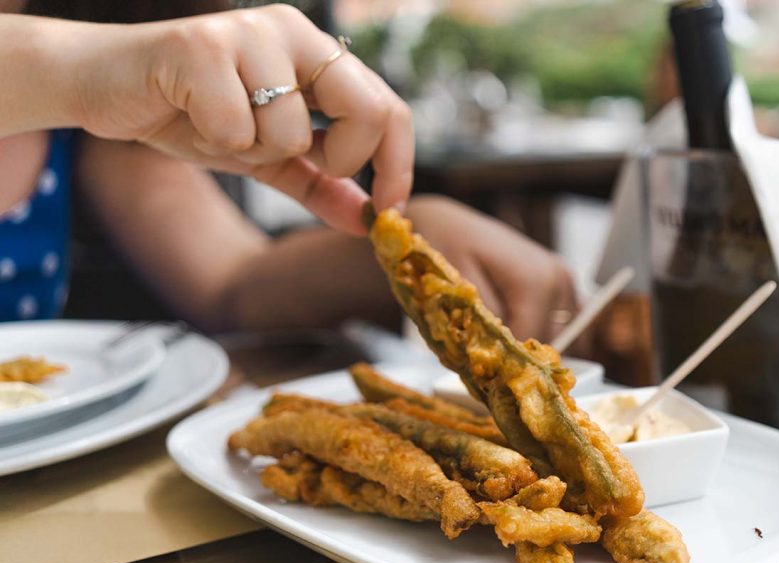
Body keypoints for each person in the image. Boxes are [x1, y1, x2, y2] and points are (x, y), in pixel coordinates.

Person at [0, 1, 577, 341]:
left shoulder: (101, 132)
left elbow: (232, 283)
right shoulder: (94, 86)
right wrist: (72, 65)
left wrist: (410, 247)